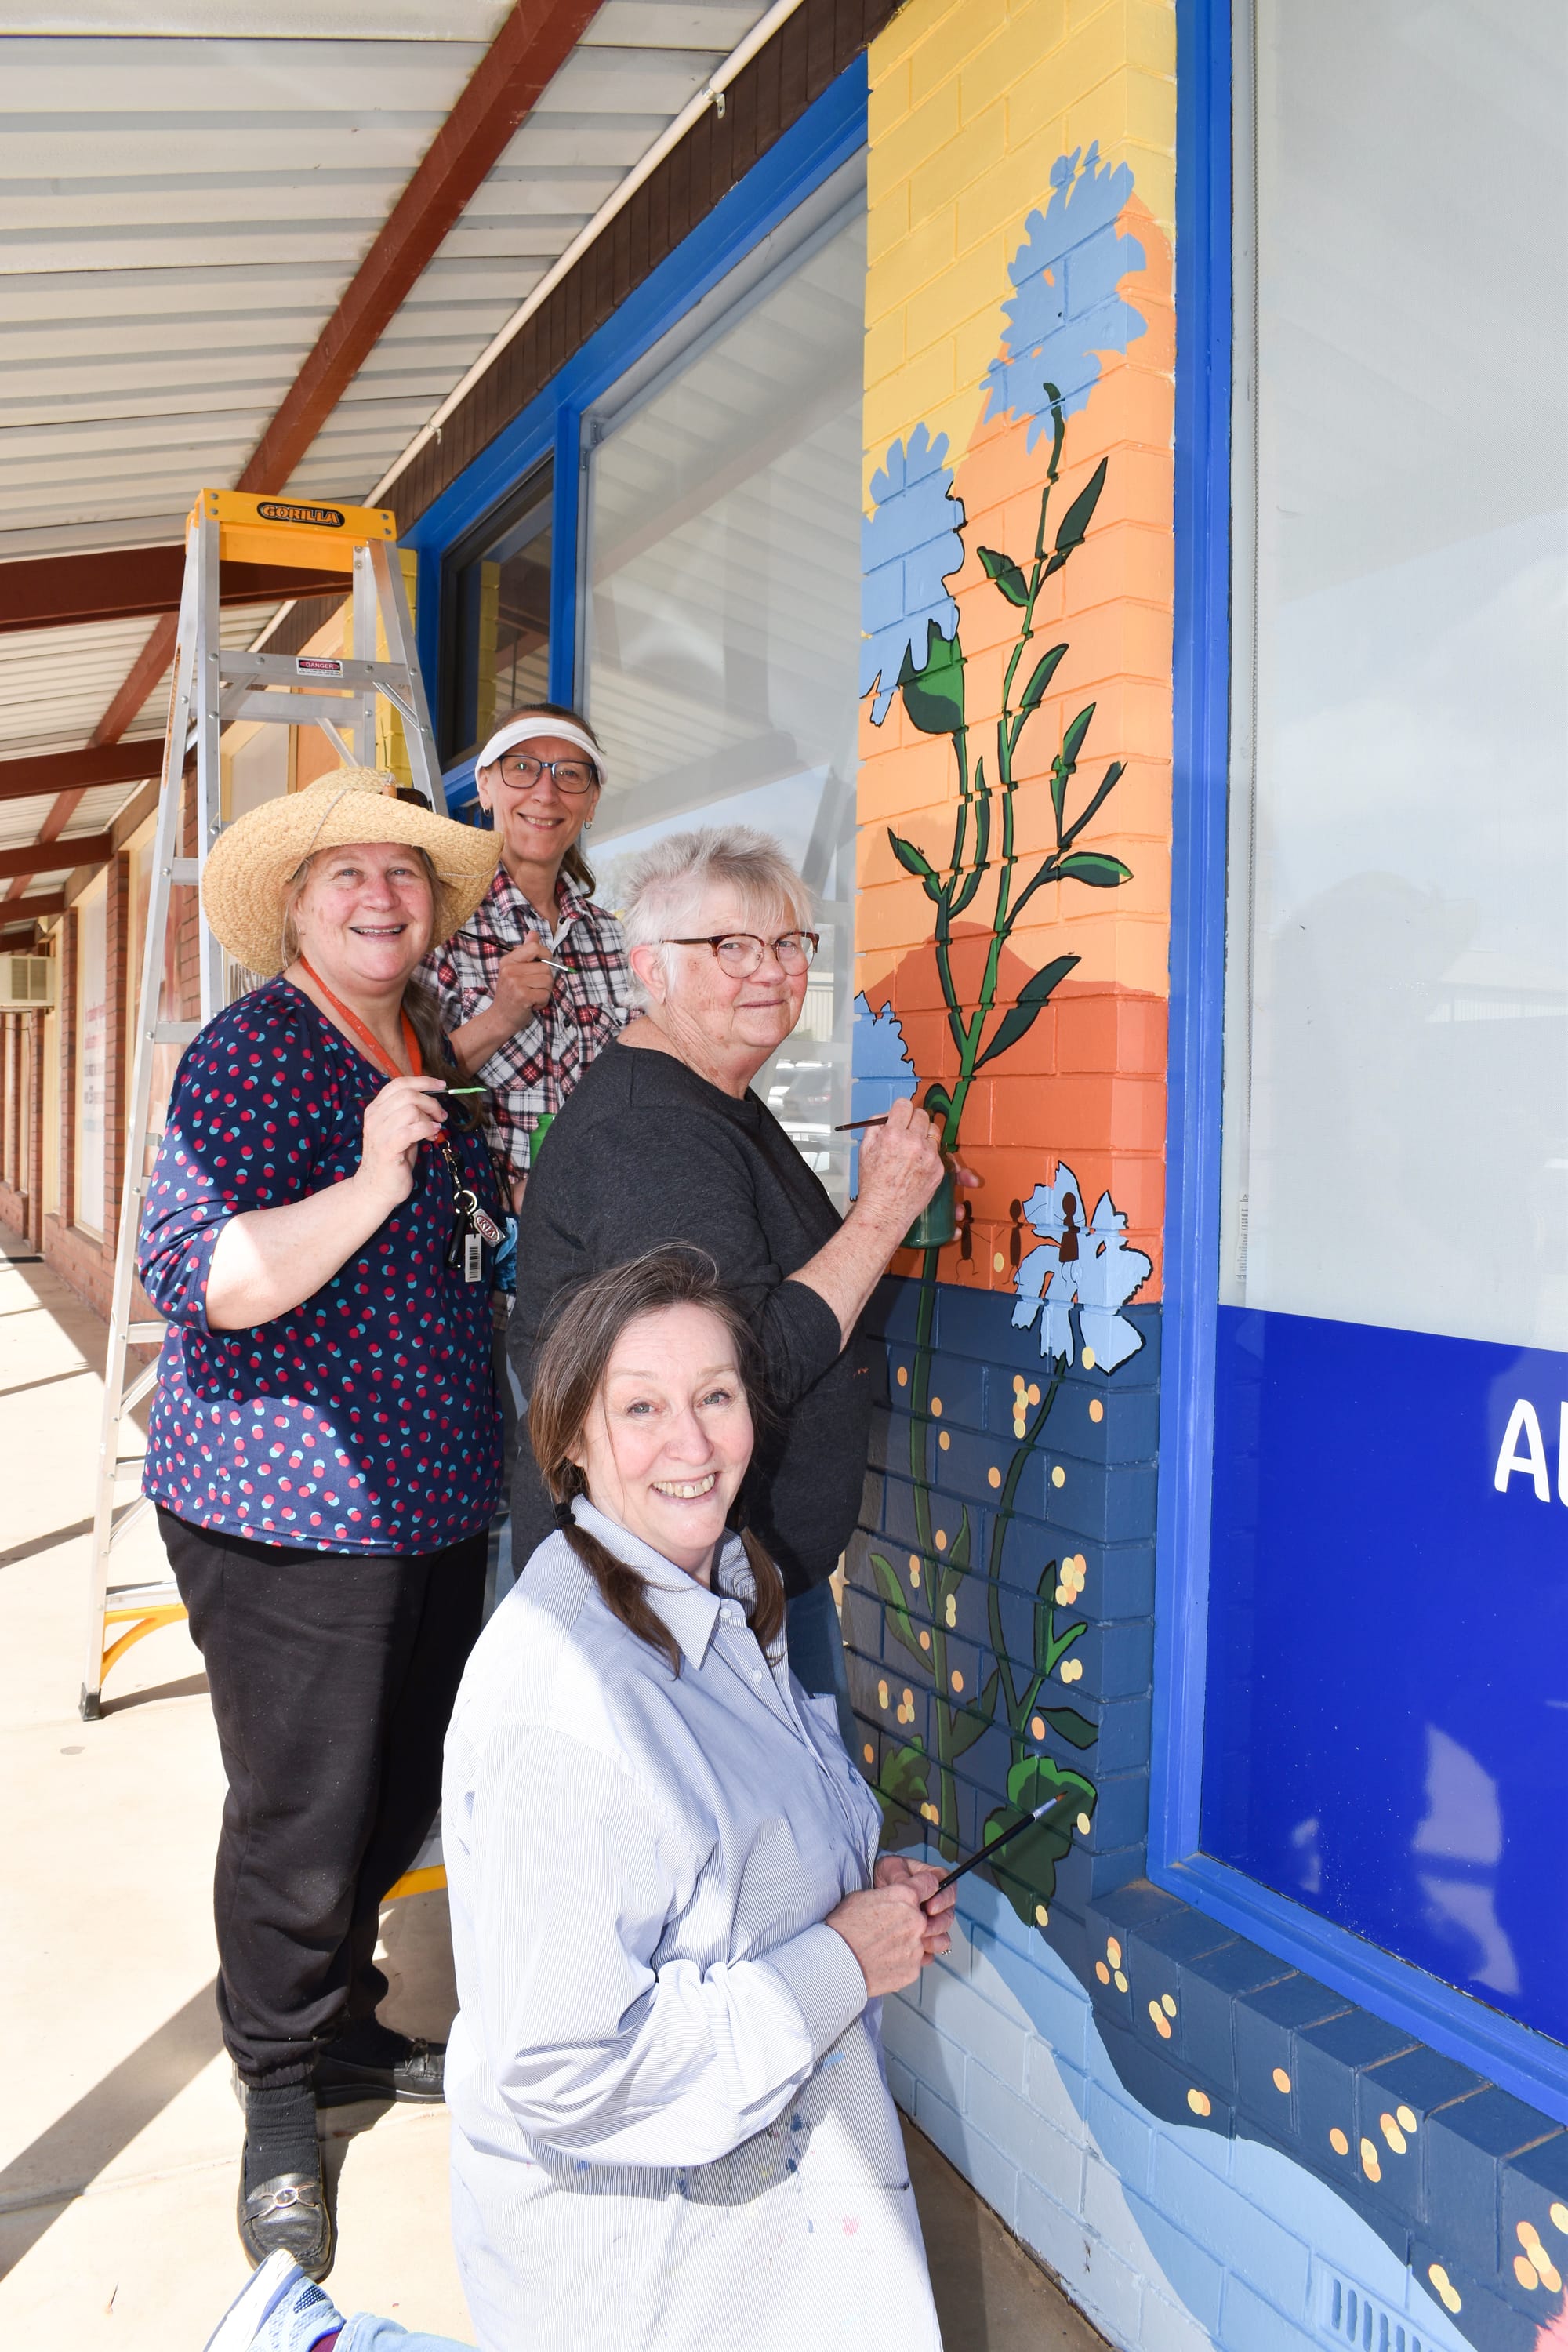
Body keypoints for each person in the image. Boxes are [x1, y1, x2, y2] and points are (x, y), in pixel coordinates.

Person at [200, 1249, 955, 2352]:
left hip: (774, 2193)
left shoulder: (731, 1585)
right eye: (641, 1407)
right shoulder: (564, 1710)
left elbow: (734, 1860)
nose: (691, 1444)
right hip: (648, 2265)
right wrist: (843, 1960)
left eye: (715, 1396)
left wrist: (861, 1899)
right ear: (570, 1444)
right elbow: (574, 2069)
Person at [140, 767, 506, 2280]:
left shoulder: (414, 1037)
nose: (381, 896)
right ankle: (280, 2093)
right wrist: (371, 1174)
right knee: (300, 1818)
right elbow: (200, 1275)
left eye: (406, 877)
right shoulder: (255, 1054)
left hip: (426, 1496)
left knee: (388, 1792)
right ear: (294, 906)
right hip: (286, 1508)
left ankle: (344, 2023)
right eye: (348, 875)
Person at [508, 824, 971, 1706]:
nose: (769, 970)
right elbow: (747, 1363)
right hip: (681, 1602)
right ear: (652, 971)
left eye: (787, 944)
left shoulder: (707, 1094)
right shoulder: (652, 1130)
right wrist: (883, 1211)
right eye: (729, 946)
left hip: (732, 1580)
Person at [422, 703, 633, 1210]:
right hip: (479, 1247)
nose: (546, 792)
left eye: (571, 775)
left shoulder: (616, 940)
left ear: (593, 801)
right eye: (521, 767)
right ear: (485, 787)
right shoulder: (436, 926)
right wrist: (500, 1018)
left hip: (603, 1232)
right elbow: (397, 1085)